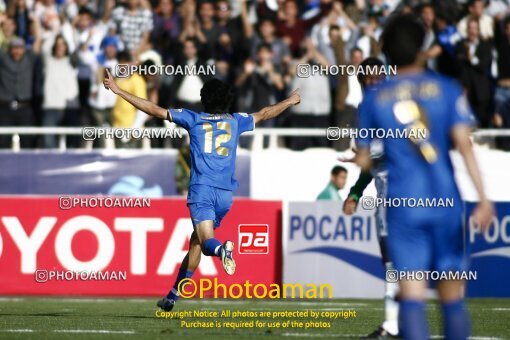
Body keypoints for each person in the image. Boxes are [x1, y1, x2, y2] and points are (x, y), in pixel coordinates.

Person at [102, 72, 301, 312]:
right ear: (227, 99)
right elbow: (265, 112)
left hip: (202, 191)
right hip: (226, 195)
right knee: (196, 242)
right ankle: (173, 296)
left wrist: (119, 90)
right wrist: (289, 101)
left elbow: (154, 110)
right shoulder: (235, 121)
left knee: (207, 241)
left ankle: (221, 249)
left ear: (203, 99)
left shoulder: (193, 119)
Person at [355, 15, 494, 340]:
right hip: (445, 201)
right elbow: (466, 145)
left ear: (388, 52)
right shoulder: (447, 88)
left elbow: (364, 158)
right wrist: (484, 198)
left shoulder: (374, 98)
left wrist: (363, 158)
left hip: (404, 205)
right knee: (452, 298)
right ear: (423, 49)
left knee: (412, 296)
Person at [341, 57, 399, 338]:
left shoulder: (393, 106)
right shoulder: (367, 110)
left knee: (395, 260)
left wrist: (362, 157)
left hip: (401, 195)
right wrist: (355, 192)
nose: (373, 84)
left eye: (378, 78)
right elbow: (372, 161)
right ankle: (395, 323)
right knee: (394, 261)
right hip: (392, 193)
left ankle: (394, 324)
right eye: (368, 79)